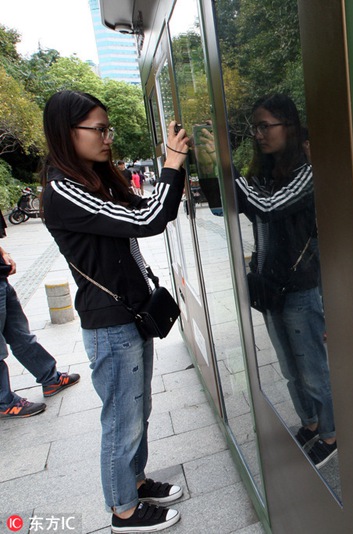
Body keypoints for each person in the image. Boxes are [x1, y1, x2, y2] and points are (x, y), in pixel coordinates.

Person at [40, 90, 189, 533]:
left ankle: (136, 481)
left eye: (108, 128)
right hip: (110, 323)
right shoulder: (63, 190)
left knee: (135, 411)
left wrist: (171, 172)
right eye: (98, 129)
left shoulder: (91, 180)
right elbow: (148, 221)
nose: (107, 138)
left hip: (131, 313)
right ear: (68, 133)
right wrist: (172, 164)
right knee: (121, 420)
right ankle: (123, 510)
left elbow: (146, 210)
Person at [234, 94, 337, 468]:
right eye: (255, 128)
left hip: (300, 287)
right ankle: (310, 423)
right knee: (289, 368)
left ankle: (331, 432)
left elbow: (269, 207)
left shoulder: (309, 171)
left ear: (288, 127)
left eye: (266, 126)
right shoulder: (263, 175)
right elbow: (228, 203)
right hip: (270, 286)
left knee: (312, 368)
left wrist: (229, 175)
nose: (259, 134)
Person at [0, 245, 80, 418]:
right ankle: (4, 401)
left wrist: (2, 253)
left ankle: (50, 378)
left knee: (20, 335)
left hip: (1, 279)